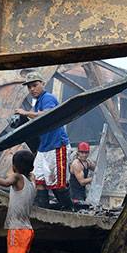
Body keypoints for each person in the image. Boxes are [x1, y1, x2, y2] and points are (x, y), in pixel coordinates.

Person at [16, 78, 73, 210]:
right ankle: (44, 209)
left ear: (42, 84)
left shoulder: (48, 98)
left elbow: (48, 113)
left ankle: (68, 209)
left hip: (57, 145)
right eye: (29, 87)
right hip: (44, 148)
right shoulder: (37, 102)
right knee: (39, 180)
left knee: (59, 183)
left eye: (35, 85)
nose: (32, 89)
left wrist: (26, 113)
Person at [68, 141, 95, 206]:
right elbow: (82, 182)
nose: (84, 155)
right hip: (75, 196)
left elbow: (96, 169)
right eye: (82, 152)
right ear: (78, 152)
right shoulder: (76, 164)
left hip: (82, 193)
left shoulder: (87, 162)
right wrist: (94, 178)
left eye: (86, 153)